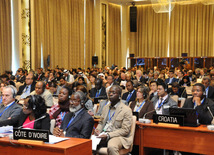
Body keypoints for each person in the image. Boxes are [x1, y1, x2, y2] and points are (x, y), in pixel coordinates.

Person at [94, 85, 133, 155]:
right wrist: (98, 130)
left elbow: (125, 130)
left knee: (112, 146)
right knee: (87, 143)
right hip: (103, 134)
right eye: (109, 92)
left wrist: (108, 135)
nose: (111, 94)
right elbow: (101, 123)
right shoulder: (106, 108)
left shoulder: (126, 110)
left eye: (113, 93)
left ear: (119, 95)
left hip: (118, 136)